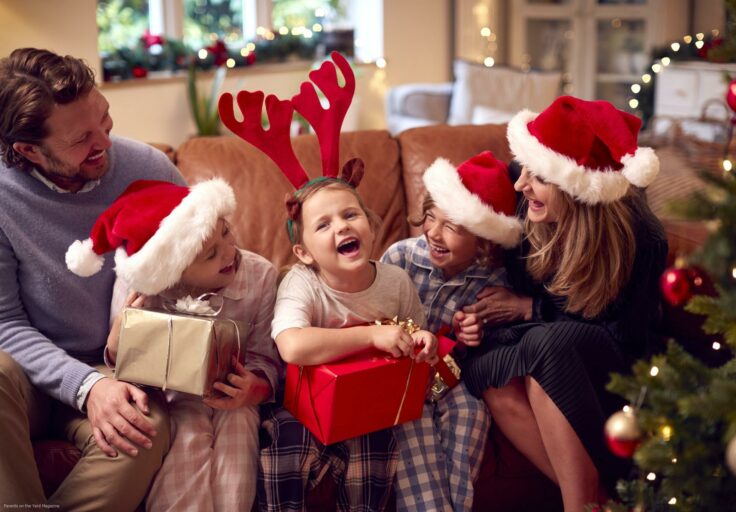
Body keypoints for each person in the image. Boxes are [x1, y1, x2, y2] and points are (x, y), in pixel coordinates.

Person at [461, 96, 668, 512]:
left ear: (575, 187)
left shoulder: (641, 240)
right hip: (550, 334)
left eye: (537, 178)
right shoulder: (529, 211)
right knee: (490, 370)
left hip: (619, 359)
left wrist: (529, 310)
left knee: (546, 351)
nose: (521, 186)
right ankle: (604, 505)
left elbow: (625, 334)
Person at [0, 48, 184, 508]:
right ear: (28, 150)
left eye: (105, 119)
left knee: (145, 427)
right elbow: (4, 323)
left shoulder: (151, 170)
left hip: (120, 366)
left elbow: (207, 276)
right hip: (30, 374)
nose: (105, 141)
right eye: (82, 139)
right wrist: (85, 386)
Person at [66, 178, 280, 511]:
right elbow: (120, 364)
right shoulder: (138, 285)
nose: (229, 251)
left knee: (239, 431)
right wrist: (120, 334)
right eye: (211, 255)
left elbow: (267, 357)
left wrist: (255, 388)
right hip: (173, 395)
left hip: (237, 397)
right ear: (174, 273)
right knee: (187, 436)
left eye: (226, 232)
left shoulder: (260, 274)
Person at [260, 173, 439, 512]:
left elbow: (416, 334)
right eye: (323, 225)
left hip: (368, 406)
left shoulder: (395, 282)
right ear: (304, 253)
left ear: (370, 226)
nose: (341, 227)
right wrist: (371, 334)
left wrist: (423, 341)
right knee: (284, 445)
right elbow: (292, 346)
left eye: (350, 215)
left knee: (377, 447)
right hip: (302, 406)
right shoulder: (302, 283)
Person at [381, 150, 523, 511]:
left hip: (450, 381)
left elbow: (483, 344)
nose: (434, 233)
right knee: (414, 424)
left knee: (472, 413)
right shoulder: (399, 258)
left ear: (484, 239)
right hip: (402, 377)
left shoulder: (492, 280)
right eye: (431, 217)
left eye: (454, 227)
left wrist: (472, 333)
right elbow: (373, 317)